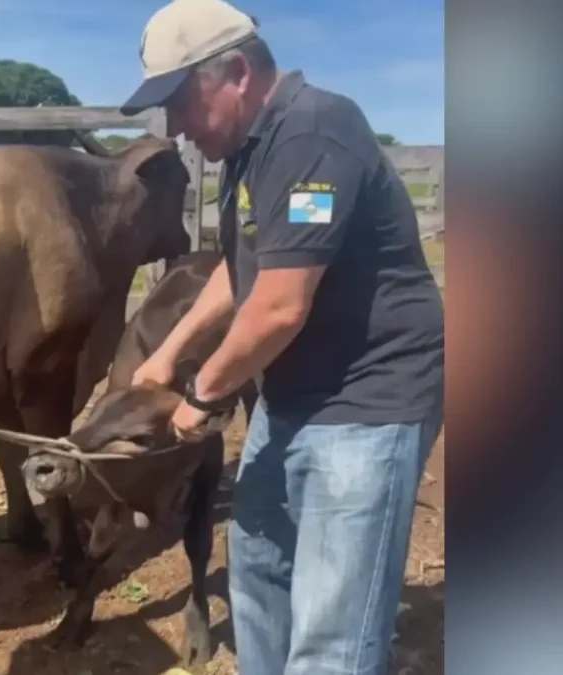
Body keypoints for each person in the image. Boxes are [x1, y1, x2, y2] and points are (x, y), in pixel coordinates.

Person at [119, 0, 445, 673]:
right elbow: (242, 273)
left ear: (236, 72)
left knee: (334, 631)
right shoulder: (249, 151)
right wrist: (167, 353)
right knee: (260, 574)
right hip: (292, 394)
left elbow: (278, 307)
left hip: (369, 399)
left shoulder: (312, 133)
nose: (175, 127)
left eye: (181, 101)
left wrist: (203, 396)